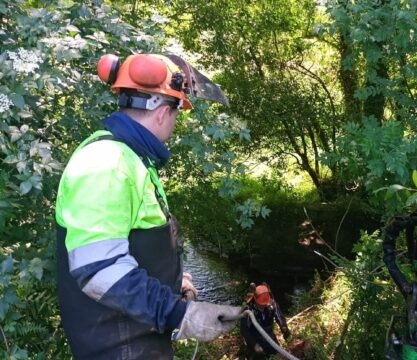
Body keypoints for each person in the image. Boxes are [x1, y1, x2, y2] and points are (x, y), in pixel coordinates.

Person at [55, 53, 241, 359]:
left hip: (139, 343)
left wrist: (172, 283)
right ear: (161, 112)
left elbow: (131, 244)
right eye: (177, 111)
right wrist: (181, 315)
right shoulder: (106, 164)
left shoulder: (132, 159)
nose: (175, 122)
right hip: (117, 349)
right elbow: (100, 269)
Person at [241, 283, 291, 359]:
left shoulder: (271, 304)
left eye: (265, 303)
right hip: (254, 338)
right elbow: (245, 330)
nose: (264, 305)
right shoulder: (248, 310)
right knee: (258, 355)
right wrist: (255, 345)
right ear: (255, 300)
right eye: (261, 304)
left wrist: (284, 328)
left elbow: (279, 316)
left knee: (277, 354)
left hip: (269, 335)